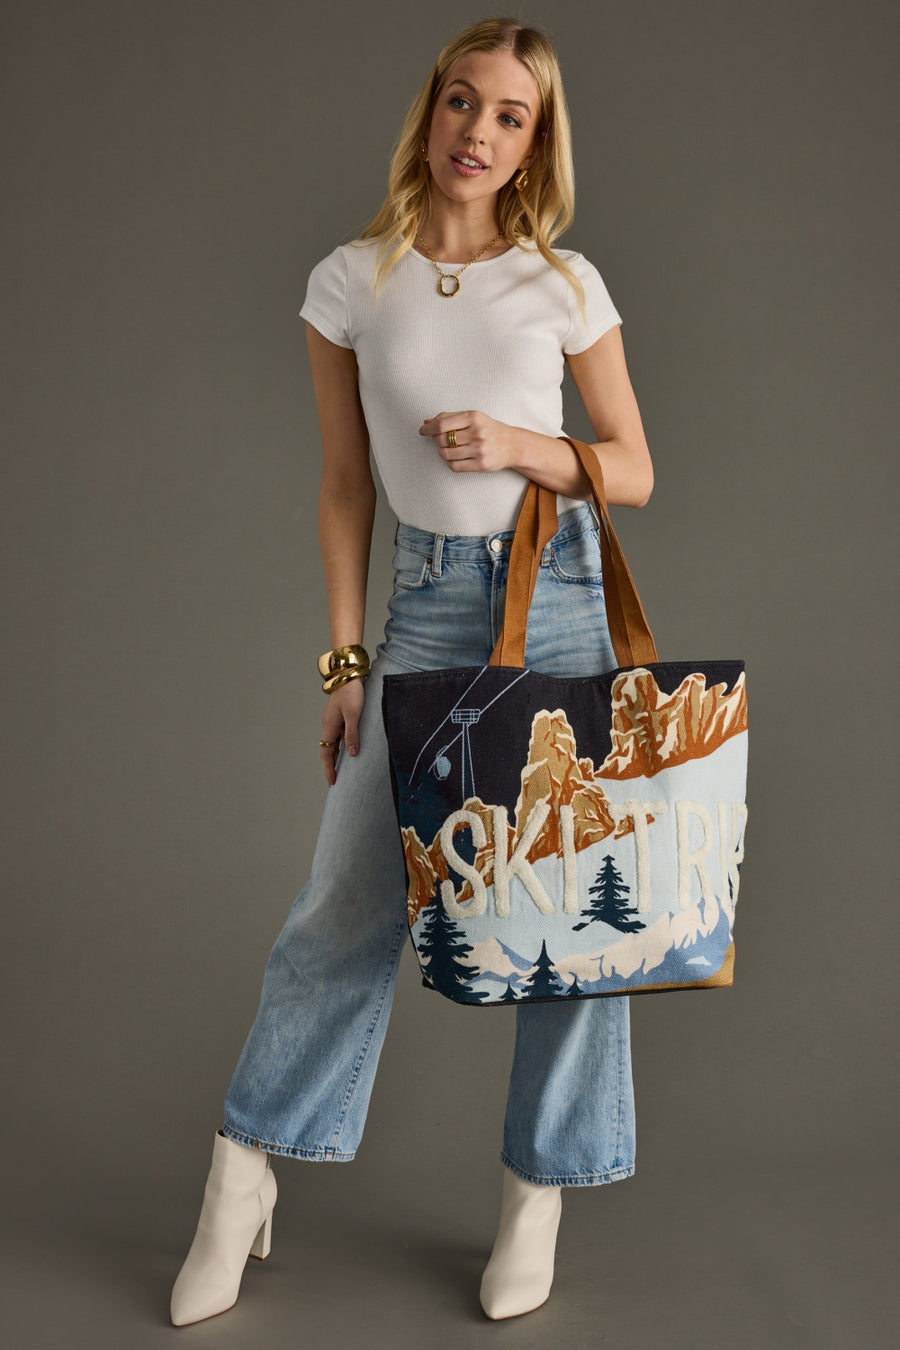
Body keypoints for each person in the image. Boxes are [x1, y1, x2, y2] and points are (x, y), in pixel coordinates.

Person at [170, 15, 653, 1327]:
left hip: (554, 599)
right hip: (428, 608)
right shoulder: (351, 281)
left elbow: (636, 467)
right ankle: (242, 1176)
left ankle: (537, 1190)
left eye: (509, 117)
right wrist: (343, 660)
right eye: (462, 103)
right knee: (347, 904)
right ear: (429, 111)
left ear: (533, 142)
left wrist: (521, 443)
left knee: (569, 918)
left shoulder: (563, 286)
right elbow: (341, 487)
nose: (478, 135)